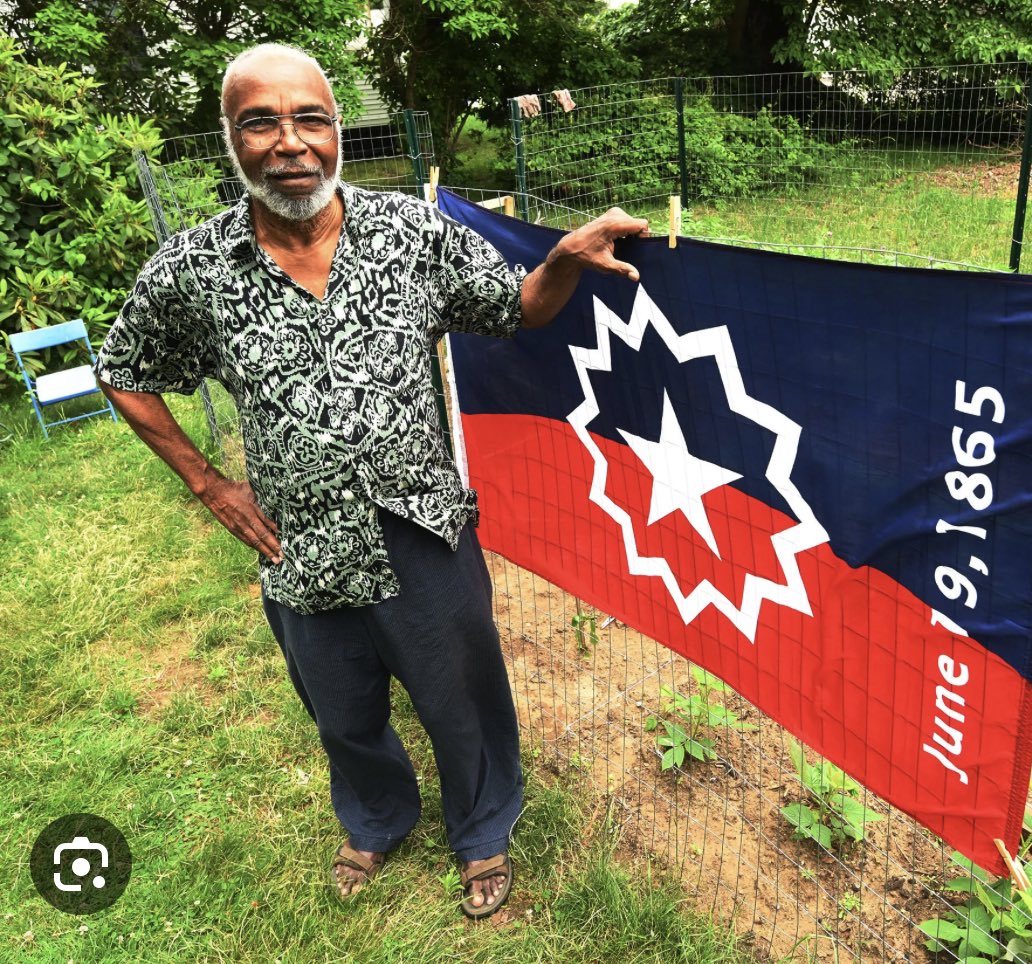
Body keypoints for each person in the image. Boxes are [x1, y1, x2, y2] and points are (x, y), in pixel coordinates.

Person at [95, 42, 649, 916]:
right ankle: (378, 817)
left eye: (310, 119)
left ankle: (482, 828)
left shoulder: (410, 233)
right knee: (341, 709)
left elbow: (512, 307)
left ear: (337, 132)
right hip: (298, 538)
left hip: (421, 523)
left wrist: (564, 261)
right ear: (232, 138)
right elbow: (124, 370)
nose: (290, 142)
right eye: (261, 123)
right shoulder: (193, 269)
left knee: (460, 696)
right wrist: (210, 484)